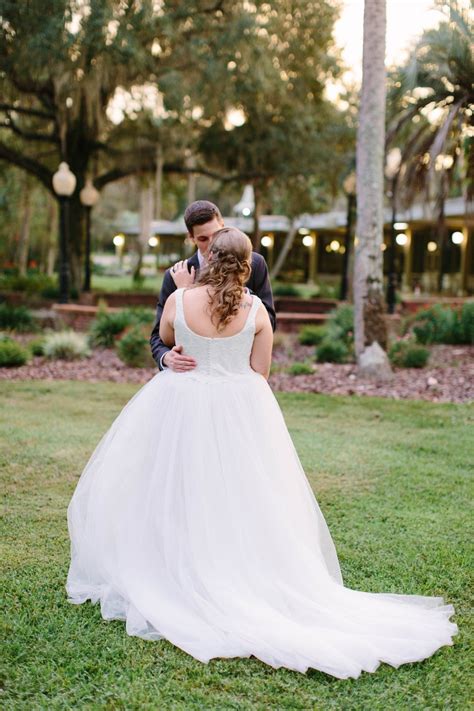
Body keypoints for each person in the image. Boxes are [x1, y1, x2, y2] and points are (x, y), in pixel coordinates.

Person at [66, 228, 457, 678]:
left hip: (180, 403)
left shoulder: (178, 299)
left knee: (174, 485)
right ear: (248, 266)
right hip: (240, 408)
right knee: (241, 495)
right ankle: (231, 564)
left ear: (209, 258)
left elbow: (167, 338)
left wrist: (185, 346)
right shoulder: (257, 312)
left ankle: (176, 562)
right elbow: (260, 372)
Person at [150, 199, 276, 372]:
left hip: (237, 369)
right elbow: (159, 335)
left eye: (215, 235)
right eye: (202, 239)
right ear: (191, 237)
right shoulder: (177, 275)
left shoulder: (253, 263)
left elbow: (268, 319)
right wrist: (165, 357)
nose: (211, 245)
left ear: (223, 225)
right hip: (192, 374)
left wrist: (240, 295)